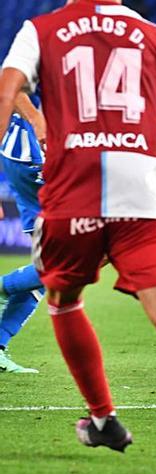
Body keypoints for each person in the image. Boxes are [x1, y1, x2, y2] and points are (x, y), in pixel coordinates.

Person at [0, 0, 156, 471]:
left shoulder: (42, 28)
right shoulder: (151, 32)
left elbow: (7, 91)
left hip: (71, 192)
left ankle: (104, 418)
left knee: (64, 298)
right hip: (141, 195)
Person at [0, 91, 46, 373]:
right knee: (66, 264)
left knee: (46, 271)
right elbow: (12, 87)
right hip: (36, 154)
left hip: (22, 153)